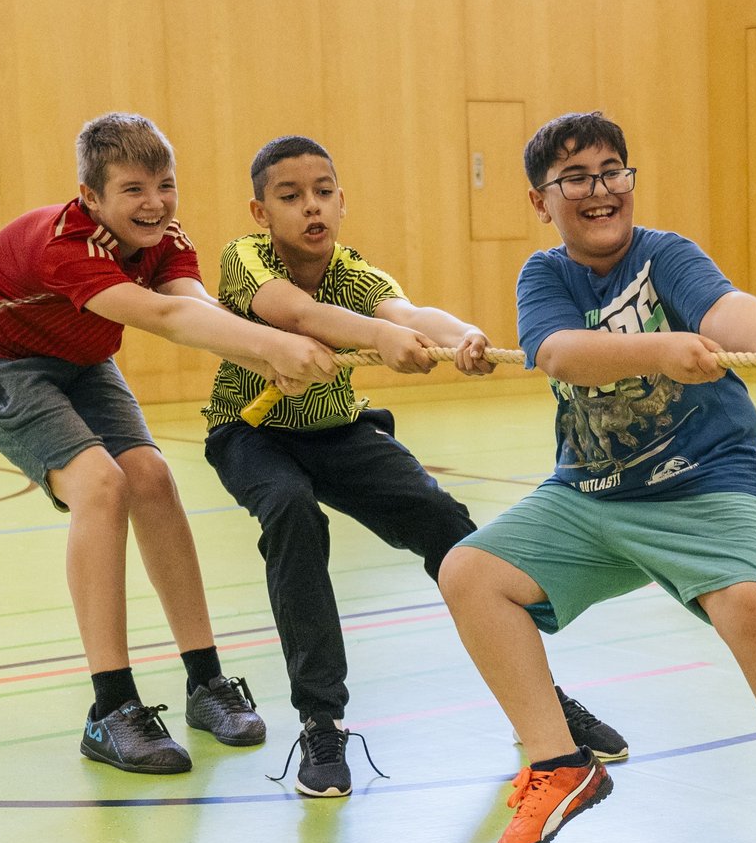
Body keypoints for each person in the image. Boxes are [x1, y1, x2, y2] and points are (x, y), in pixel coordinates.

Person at [436, 112, 756, 843]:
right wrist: (658, 352)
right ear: (541, 202)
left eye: (612, 170)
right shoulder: (545, 276)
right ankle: (558, 764)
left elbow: (723, 310)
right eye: (575, 178)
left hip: (708, 480)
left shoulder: (664, 255)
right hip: (591, 495)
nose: (599, 189)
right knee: (471, 574)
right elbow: (558, 354)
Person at [201, 135, 628, 798]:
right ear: (261, 213)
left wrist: (462, 336)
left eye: (322, 193)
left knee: (445, 524)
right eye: (290, 197)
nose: (310, 208)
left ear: (341, 201)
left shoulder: (352, 269)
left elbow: (405, 312)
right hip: (253, 435)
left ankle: (540, 703)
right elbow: (300, 314)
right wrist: (381, 338)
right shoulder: (245, 258)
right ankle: (322, 721)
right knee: (290, 513)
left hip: (338, 432)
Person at [0, 112, 339, 774]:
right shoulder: (64, 246)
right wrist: (278, 346)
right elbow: (165, 317)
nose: (153, 204)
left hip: (81, 358)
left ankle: (205, 682)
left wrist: (268, 356)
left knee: (151, 479)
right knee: (101, 484)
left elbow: (196, 305)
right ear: (91, 197)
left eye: (164, 184)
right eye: (132, 189)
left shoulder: (164, 239)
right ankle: (110, 708)